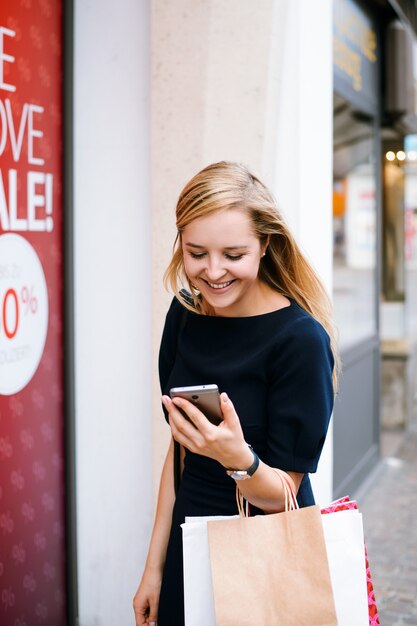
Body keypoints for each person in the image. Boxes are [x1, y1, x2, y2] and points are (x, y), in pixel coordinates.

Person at [133, 161, 339, 626]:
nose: (213, 271)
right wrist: (154, 568)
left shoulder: (300, 341)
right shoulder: (184, 313)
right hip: (190, 543)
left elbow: (284, 494)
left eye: (233, 253)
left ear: (265, 245)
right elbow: (180, 451)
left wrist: (237, 458)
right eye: (197, 253)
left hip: (264, 559)